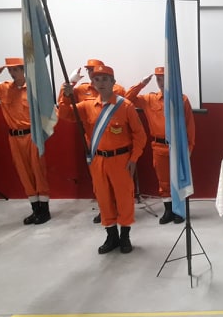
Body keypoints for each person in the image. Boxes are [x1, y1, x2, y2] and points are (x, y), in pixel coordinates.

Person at [58, 65, 147, 254]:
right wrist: (65, 93)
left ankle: (125, 236)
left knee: (124, 199)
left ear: (113, 82)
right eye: (96, 79)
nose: (101, 83)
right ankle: (111, 236)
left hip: (121, 160)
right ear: (92, 83)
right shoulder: (87, 106)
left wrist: (133, 159)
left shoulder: (125, 106)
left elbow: (140, 135)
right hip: (98, 160)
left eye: (105, 79)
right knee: (103, 198)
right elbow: (64, 113)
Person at [125, 66, 196, 224]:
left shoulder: (182, 99)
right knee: (163, 181)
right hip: (159, 146)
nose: (161, 81)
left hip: (177, 146)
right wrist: (142, 84)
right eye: (158, 78)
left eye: (163, 78)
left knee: (179, 179)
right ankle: (168, 210)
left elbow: (189, 125)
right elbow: (127, 98)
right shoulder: (149, 99)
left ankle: (179, 211)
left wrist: (189, 147)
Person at [63, 58, 126, 224]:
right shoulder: (81, 90)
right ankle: (105, 210)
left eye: (94, 69)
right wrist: (69, 85)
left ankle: (119, 209)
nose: (91, 73)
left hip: (115, 140)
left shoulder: (117, 89)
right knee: (99, 182)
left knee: (117, 182)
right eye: (89, 70)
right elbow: (66, 109)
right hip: (93, 142)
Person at [0, 57, 51, 224]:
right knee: (23, 172)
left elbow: (49, 111)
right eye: (10, 70)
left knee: (38, 170)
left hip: (32, 135)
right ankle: (35, 209)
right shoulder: (3, 89)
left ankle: (44, 210)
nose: (12, 73)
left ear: (23, 70)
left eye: (15, 69)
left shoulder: (34, 88)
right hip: (14, 137)